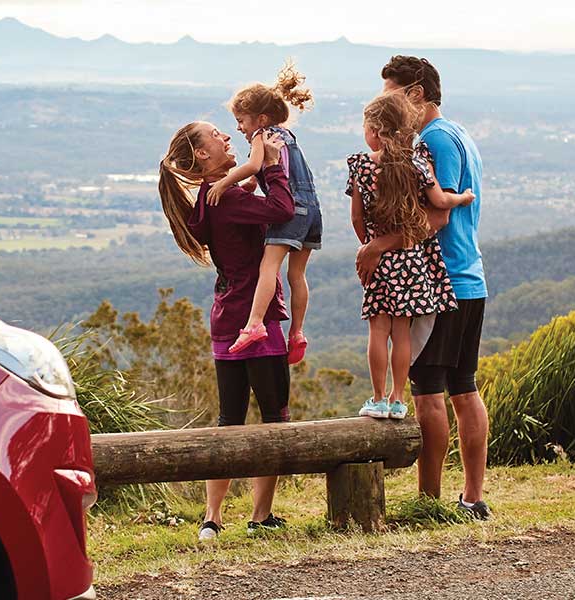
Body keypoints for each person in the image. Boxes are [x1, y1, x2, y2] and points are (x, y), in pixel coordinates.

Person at [362, 55, 493, 519]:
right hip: (469, 278)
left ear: (416, 93)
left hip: (441, 281)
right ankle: (472, 497)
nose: (385, 106)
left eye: (391, 95)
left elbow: (437, 215)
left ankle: (429, 501)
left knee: (429, 391)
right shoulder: (459, 134)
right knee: (463, 386)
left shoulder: (433, 140)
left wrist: (379, 246)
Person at [158, 121, 295, 540]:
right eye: (218, 135)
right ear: (202, 155)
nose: (227, 138)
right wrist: (272, 167)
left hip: (224, 317)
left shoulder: (207, 199)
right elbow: (282, 211)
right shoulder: (227, 198)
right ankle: (259, 517)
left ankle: (212, 518)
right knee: (274, 416)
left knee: (229, 417)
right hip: (257, 319)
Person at [347, 92, 473, 420]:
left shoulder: (360, 165)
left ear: (375, 129)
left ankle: (376, 398)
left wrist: (369, 243)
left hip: (380, 261)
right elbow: (441, 201)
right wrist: (463, 198)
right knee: (402, 332)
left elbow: (357, 217)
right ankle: (398, 398)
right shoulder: (418, 163)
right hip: (411, 258)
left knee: (378, 330)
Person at [204, 61, 320, 364]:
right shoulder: (285, 136)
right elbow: (262, 177)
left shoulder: (262, 136)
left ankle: (254, 323)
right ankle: (297, 332)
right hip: (312, 211)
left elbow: (255, 166)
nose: (239, 128)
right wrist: (248, 188)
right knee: (297, 273)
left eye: (241, 121)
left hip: (291, 211)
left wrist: (225, 183)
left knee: (267, 268)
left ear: (261, 118)